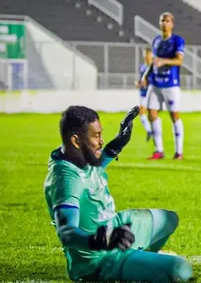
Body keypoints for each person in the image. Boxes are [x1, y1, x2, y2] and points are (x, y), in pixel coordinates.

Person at [43, 106, 193, 282]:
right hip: (99, 259)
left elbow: (93, 169)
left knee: (169, 219)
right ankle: (130, 267)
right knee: (179, 269)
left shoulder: (75, 156)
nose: (101, 141)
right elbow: (67, 232)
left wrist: (119, 142)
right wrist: (101, 239)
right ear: (76, 140)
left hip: (114, 228)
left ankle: (138, 263)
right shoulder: (66, 179)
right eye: (96, 135)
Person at [143, 12, 185, 160]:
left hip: (170, 84)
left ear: (172, 24)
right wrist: (145, 77)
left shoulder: (177, 41)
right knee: (151, 114)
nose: (164, 23)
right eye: (162, 21)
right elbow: (154, 61)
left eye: (167, 21)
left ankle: (179, 152)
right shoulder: (156, 41)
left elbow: (179, 61)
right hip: (155, 83)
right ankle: (158, 150)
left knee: (174, 115)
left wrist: (164, 61)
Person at [135, 47, 154, 141]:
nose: (146, 56)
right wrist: (139, 83)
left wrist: (148, 82)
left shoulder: (154, 67)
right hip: (143, 93)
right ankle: (150, 131)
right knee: (142, 113)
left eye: (148, 54)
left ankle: (152, 131)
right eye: (145, 54)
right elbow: (142, 80)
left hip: (151, 94)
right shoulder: (142, 67)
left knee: (150, 114)